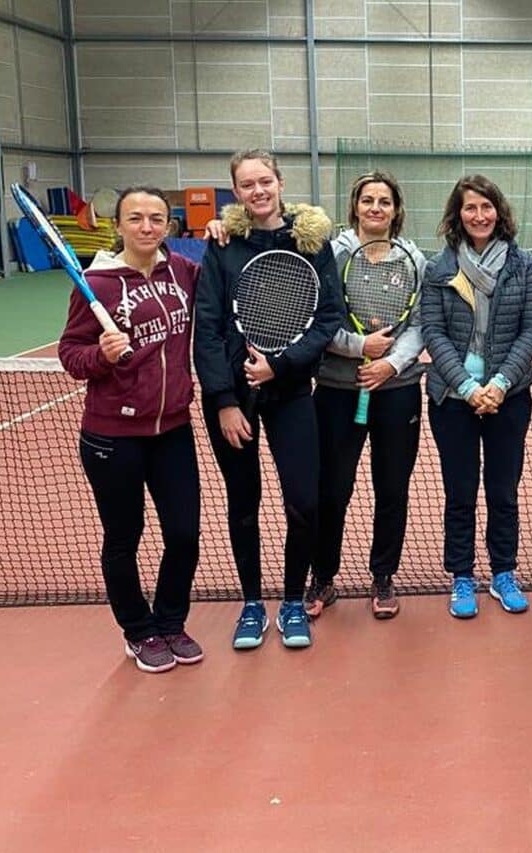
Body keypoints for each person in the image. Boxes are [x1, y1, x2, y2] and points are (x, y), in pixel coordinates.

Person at [194, 149, 343, 651]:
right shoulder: (223, 245)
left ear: (280, 183)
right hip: (234, 402)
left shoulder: (312, 245)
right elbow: (208, 329)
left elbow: (327, 319)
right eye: (246, 184)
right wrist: (223, 400)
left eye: (265, 181)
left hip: (292, 393)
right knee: (244, 505)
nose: (257, 191)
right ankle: (253, 603)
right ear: (235, 193)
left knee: (304, 505)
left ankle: (294, 602)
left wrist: (280, 365)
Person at [57, 187, 202, 673]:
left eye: (156, 218)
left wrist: (224, 234)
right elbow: (71, 355)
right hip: (112, 437)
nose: (147, 226)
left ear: (168, 225)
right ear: (117, 225)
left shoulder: (183, 272)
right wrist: (102, 354)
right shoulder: (94, 283)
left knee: (183, 534)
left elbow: (223, 285)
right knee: (125, 536)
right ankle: (138, 631)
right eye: (136, 218)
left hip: (173, 429)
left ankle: (171, 621)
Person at [303, 171, 429, 620]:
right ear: (355, 206)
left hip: (397, 393)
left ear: (396, 210)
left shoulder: (413, 259)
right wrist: (359, 348)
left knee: (392, 488)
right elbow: (317, 321)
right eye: (368, 200)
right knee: (332, 489)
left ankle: (383, 576)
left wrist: (390, 364)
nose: (376, 208)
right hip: (338, 391)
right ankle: (323, 577)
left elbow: (419, 325)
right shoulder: (330, 256)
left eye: (385, 201)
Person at [420, 175, 532, 618]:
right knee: (460, 491)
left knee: (503, 491)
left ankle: (504, 572)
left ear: (499, 211)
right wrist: (469, 387)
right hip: (453, 400)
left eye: (486, 207)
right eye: (470, 208)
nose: (479, 216)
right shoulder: (439, 268)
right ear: (458, 215)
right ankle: (461, 577)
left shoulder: (523, 265)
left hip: (508, 397)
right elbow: (433, 332)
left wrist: (500, 384)